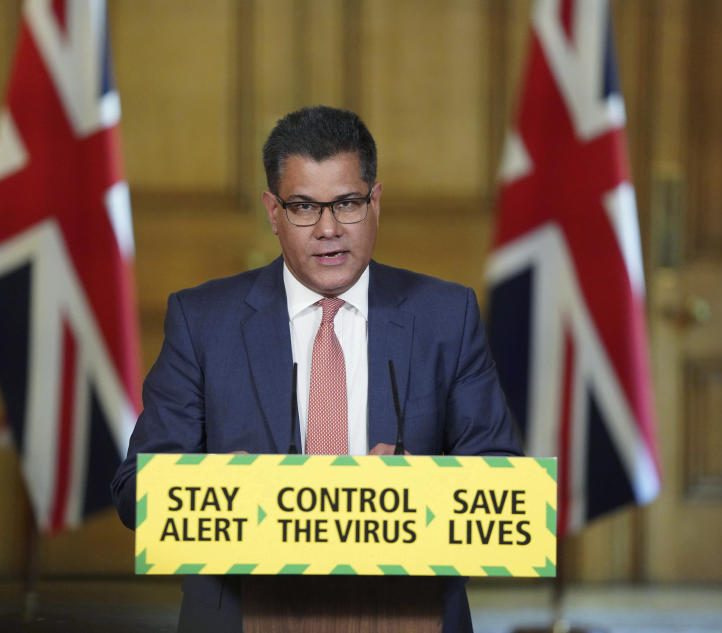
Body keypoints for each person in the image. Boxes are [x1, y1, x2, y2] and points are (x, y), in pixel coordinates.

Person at [111, 105, 521, 633]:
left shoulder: (446, 316)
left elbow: (503, 490)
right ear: (273, 211)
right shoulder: (203, 321)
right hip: (240, 614)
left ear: (375, 202)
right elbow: (133, 490)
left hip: (406, 612)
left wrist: (416, 491)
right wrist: (216, 489)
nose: (328, 228)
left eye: (347, 203)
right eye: (303, 206)